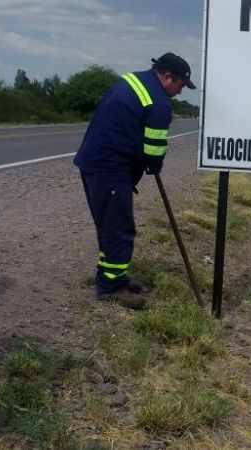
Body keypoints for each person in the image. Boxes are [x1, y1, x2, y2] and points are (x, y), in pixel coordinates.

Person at [74, 53, 196, 309]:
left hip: (96, 161)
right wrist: (154, 165)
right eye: (180, 85)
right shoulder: (159, 102)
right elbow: (154, 150)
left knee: (110, 224)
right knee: (118, 228)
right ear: (167, 77)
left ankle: (114, 276)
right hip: (109, 167)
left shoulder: (131, 80)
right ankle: (111, 287)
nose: (180, 92)